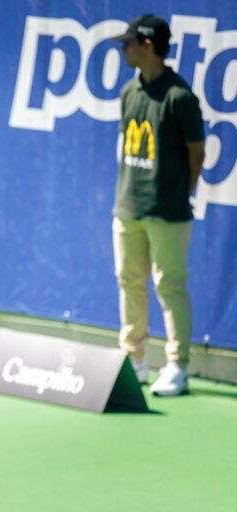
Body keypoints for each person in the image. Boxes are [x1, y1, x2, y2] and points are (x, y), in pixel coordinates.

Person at [111, 15, 205, 396]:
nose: (123, 51)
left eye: (127, 44)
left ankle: (177, 367)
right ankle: (133, 360)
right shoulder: (128, 93)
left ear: (147, 45)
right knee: (129, 283)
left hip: (167, 212)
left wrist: (178, 193)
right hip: (127, 208)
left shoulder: (180, 98)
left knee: (170, 286)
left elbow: (195, 155)